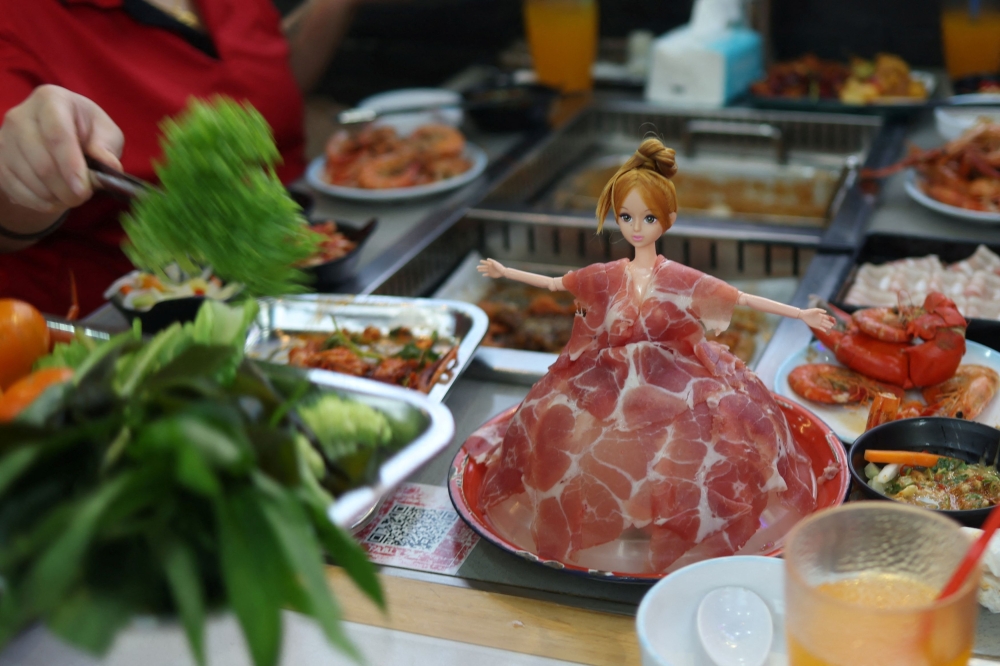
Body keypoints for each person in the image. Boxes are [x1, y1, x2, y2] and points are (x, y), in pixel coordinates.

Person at [472, 138, 835, 573]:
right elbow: (555, 285)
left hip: (686, 375)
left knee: (732, 420)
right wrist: (504, 271)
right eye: (626, 216)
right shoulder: (607, 275)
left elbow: (740, 298)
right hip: (600, 376)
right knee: (561, 427)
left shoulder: (679, 276)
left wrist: (800, 314)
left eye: (646, 217)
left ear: (668, 220)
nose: (636, 226)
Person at [0, 0, 363, 315]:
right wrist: (27, 176)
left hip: (299, 263)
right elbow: (12, 206)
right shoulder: (17, 20)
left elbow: (268, 87)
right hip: (134, 325)